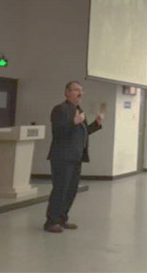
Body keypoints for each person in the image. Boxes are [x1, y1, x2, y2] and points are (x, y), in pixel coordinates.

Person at [45, 81, 103, 233]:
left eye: (81, 90)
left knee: (71, 190)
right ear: (67, 93)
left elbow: (83, 132)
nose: (80, 93)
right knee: (60, 189)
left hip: (76, 157)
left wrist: (96, 124)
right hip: (62, 157)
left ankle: (62, 219)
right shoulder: (60, 109)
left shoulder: (78, 110)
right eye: (76, 90)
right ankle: (51, 222)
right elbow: (58, 131)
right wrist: (73, 122)